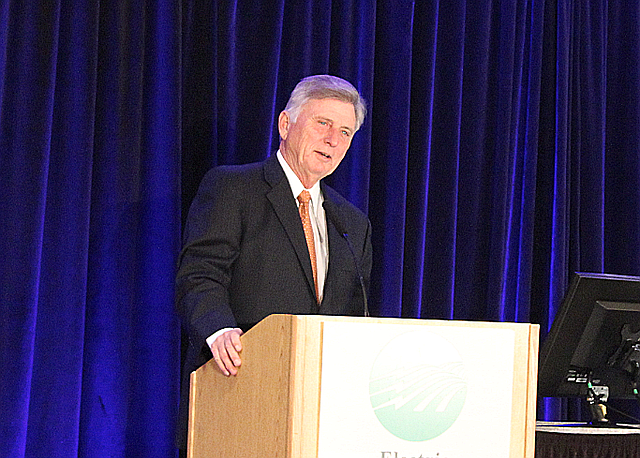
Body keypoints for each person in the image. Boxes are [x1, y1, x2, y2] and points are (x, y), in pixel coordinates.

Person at [175, 74, 372, 450]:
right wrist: (220, 331)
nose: (333, 140)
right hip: (238, 386)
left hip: (319, 409)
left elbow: (353, 314)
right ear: (285, 123)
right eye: (323, 123)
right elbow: (200, 273)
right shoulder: (234, 188)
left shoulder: (352, 223)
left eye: (345, 131)